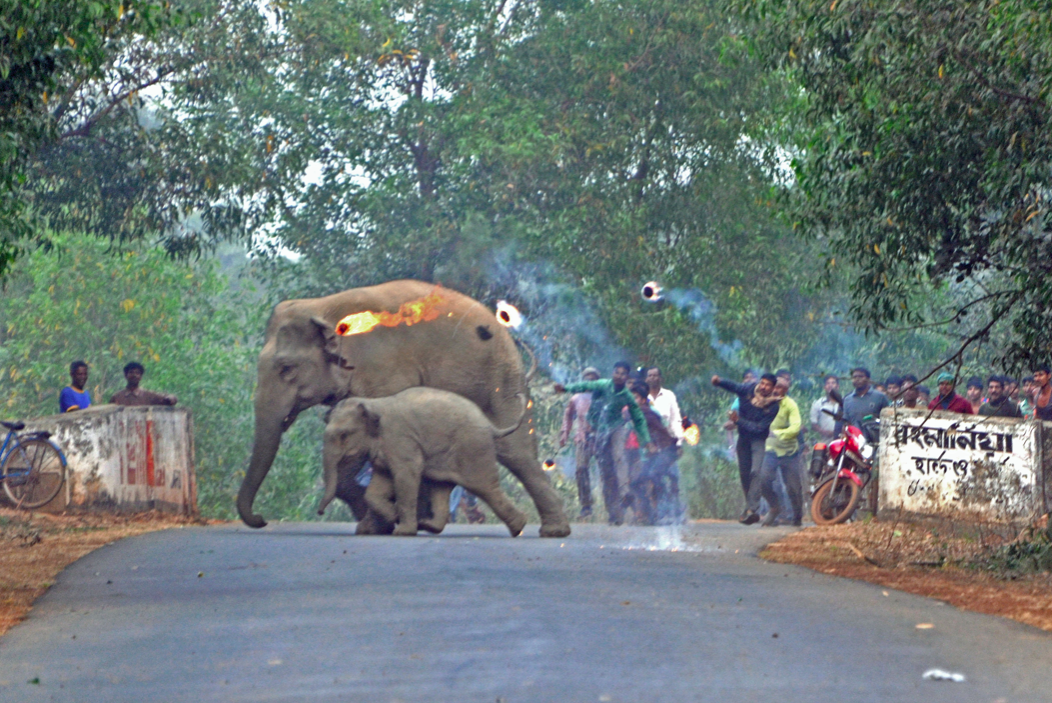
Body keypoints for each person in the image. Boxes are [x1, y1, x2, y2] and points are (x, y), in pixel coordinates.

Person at [555, 362, 654, 525]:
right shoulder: (592, 390)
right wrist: (565, 388)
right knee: (596, 472)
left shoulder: (626, 396)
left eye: (623, 374)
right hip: (589, 434)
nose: (619, 376)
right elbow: (583, 388)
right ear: (613, 373)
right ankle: (592, 506)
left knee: (617, 460)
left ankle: (624, 494)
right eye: (617, 372)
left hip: (613, 430)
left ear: (626, 377)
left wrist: (647, 441)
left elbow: (638, 419)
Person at [712, 371, 782, 524]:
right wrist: (719, 381)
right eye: (762, 383)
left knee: (755, 471)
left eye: (768, 385)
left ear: (772, 388)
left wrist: (738, 421)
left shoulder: (773, 406)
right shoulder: (748, 389)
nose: (763, 387)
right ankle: (749, 508)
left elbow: (759, 428)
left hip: (758, 440)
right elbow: (734, 386)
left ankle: (753, 509)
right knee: (744, 475)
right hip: (743, 439)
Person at [627, 383, 678, 526]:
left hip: (665, 450)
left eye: (635, 398)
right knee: (638, 482)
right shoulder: (636, 414)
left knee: (654, 476)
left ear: (643, 400)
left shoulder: (646, 413)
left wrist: (655, 445)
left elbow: (662, 432)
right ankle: (651, 512)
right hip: (655, 453)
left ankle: (666, 510)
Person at [759, 375, 803, 527]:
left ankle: (797, 516)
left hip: (789, 452)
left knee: (793, 487)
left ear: (785, 391)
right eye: (775, 387)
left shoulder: (790, 405)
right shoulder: (762, 402)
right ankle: (774, 507)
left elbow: (796, 427)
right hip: (769, 450)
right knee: (763, 480)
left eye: (781, 388)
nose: (777, 391)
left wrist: (777, 433)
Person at [559, 367, 601, 518]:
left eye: (593, 378)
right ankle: (586, 505)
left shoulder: (604, 397)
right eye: (587, 378)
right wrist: (564, 433)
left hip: (601, 438)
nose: (590, 381)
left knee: (607, 471)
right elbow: (568, 416)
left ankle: (613, 506)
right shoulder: (576, 398)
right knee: (581, 470)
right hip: (582, 438)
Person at [645, 366, 684, 522]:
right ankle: (657, 511)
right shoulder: (642, 396)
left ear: (660, 378)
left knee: (672, 476)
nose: (653, 378)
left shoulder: (668, 395)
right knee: (652, 477)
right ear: (647, 379)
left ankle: (675, 510)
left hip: (668, 442)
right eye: (650, 375)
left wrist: (679, 442)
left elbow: (676, 419)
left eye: (656, 375)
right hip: (649, 444)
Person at [840, 368, 889, 438]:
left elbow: (887, 420)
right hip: (855, 443)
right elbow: (846, 423)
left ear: (868, 379)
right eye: (854, 377)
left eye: (860, 377)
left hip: (876, 442)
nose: (857, 379)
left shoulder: (880, 397)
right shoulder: (847, 400)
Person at [109, 362, 178, 407]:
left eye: (137, 373)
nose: (134, 375)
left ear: (141, 377)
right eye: (131, 372)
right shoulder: (117, 397)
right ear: (125, 375)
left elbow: (168, 399)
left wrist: (171, 398)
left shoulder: (149, 396)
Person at [810, 374, 840, 443]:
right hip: (825, 442)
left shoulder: (843, 403)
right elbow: (813, 424)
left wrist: (838, 432)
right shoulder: (818, 404)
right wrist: (824, 432)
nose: (830, 385)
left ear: (837, 386)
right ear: (824, 387)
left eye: (833, 383)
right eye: (828, 383)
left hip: (841, 441)